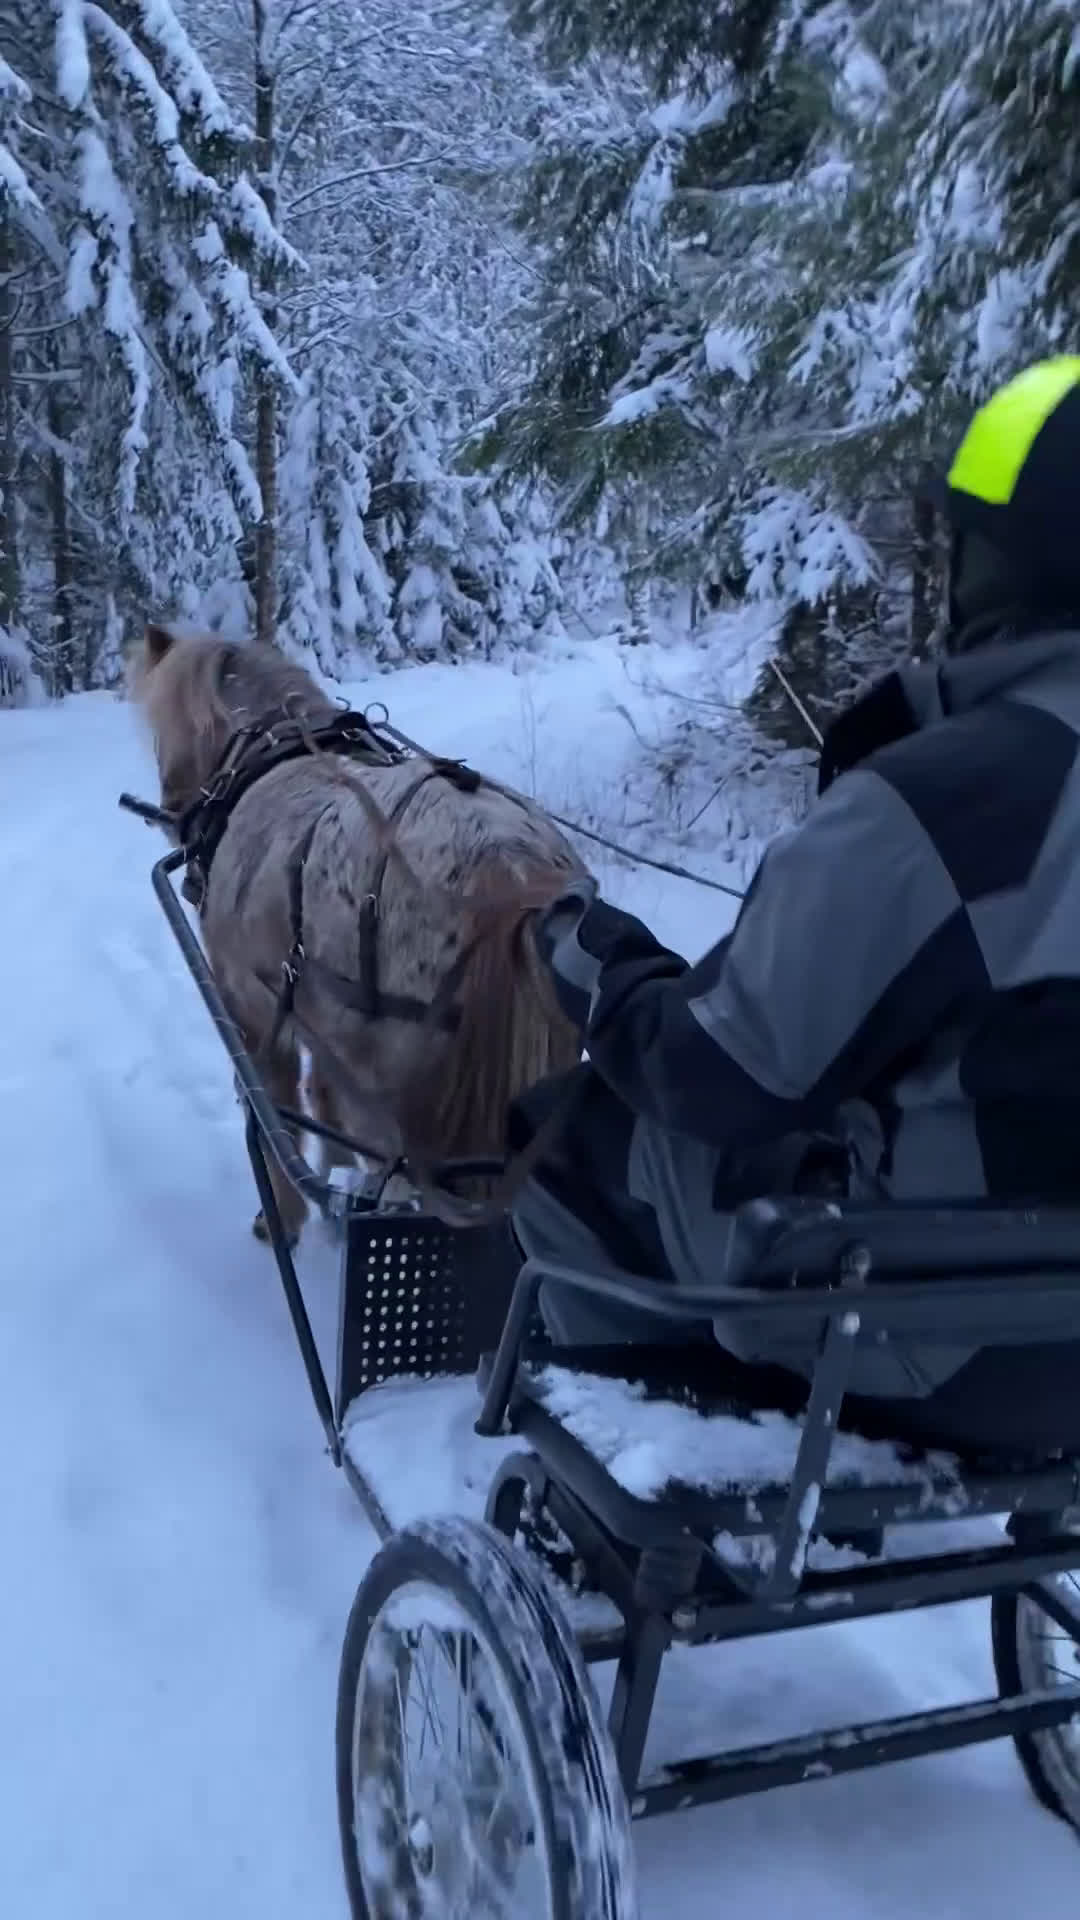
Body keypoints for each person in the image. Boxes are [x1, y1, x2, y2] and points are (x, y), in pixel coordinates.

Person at [511, 355, 1080, 1457]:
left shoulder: (949, 801)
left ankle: (645, 1478)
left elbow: (724, 1071)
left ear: (1004, 565)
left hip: (947, 1349)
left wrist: (605, 969)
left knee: (569, 1137)